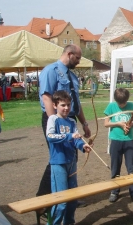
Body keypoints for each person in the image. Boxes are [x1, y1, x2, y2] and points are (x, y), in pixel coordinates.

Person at [37, 44, 91, 203]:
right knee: (58, 157)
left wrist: (84, 123)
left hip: (70, 119)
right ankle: (42, 200)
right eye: (78, 58)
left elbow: (76, 102)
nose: (79, 61)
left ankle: (69, 196)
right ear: (69, 54)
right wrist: (55, 121)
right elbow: (46, 97)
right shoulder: (50, 70)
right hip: (54, 119)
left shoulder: (72, 76)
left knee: (72, 158)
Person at [46, 90, 92, 225]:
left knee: (72, 198)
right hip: (58, 163)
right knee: (61, 201)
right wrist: (69, 136)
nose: (66, 108)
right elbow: (50, 137)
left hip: (72, 163)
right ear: (55, 105)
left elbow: (76, 139)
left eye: (68, 105)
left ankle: (69, 222)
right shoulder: (53, 119)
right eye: (62, 105)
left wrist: (83, 147)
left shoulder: (72, 121)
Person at [104, 88, 133, 204]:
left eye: (124, 102)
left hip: (129, 140)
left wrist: (131, 124)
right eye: (120, 103)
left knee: (131, 167)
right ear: (116, 100)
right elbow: (106, 123)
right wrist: (119, 124)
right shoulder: (111, 107)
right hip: (115, 140)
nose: (122, 105)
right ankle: (115, 191)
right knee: (115, 167)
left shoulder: (131, 106)